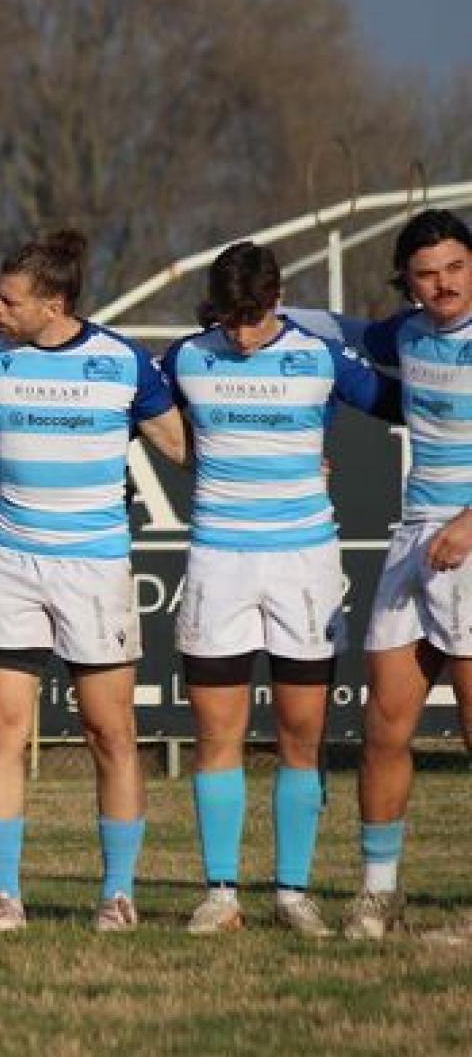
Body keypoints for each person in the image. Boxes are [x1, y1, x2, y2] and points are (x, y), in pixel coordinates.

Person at [0, 231, 189, 934]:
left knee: (112, 732)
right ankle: (5, 894)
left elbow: (182, 446)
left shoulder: (122, 360)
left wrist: (286, 457)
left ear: (54, 303)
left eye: (8, 298)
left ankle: (118, 893)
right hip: (13, 563)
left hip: (95, 567)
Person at [161, 242, 400, 937]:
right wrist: (183, 449)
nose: (239, 334)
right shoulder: (186, 356)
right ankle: (220, 892)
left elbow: (407, 403)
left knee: (302, 735)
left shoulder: (321, 356)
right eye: (229, 319)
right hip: (218, 566)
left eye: (253, 317)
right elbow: (131, 403)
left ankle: (294, 892)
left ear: (278, 298)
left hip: (304, 569)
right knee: (217, 734)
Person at [296, 210, 472, 943]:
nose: (445, 285)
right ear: (408, 280)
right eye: (428, 273)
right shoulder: (403, 333)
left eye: (457, 268)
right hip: (415, 544)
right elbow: (329, 324)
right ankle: (377, 899)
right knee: (383, 729)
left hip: (469, 539)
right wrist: (257, 305)